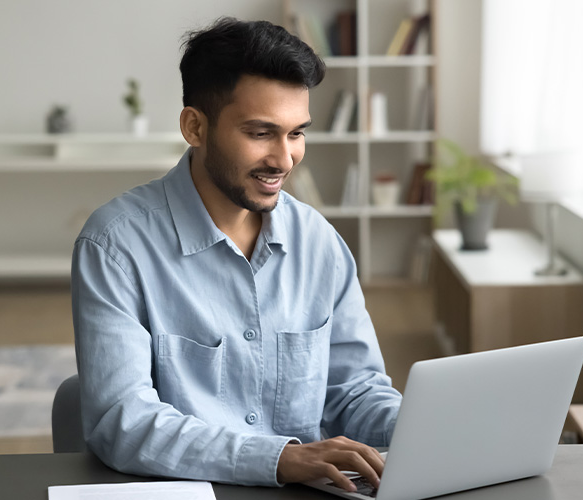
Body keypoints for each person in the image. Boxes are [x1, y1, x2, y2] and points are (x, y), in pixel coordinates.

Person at [71, 18, 401, 492]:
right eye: (261, 133)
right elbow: (123, 421)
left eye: (296, 133)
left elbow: (354, 392)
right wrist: (278, 459)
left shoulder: (318, 242)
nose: (284, 159)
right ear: (194, 126)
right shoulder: (115, 246)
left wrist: (425, 429)